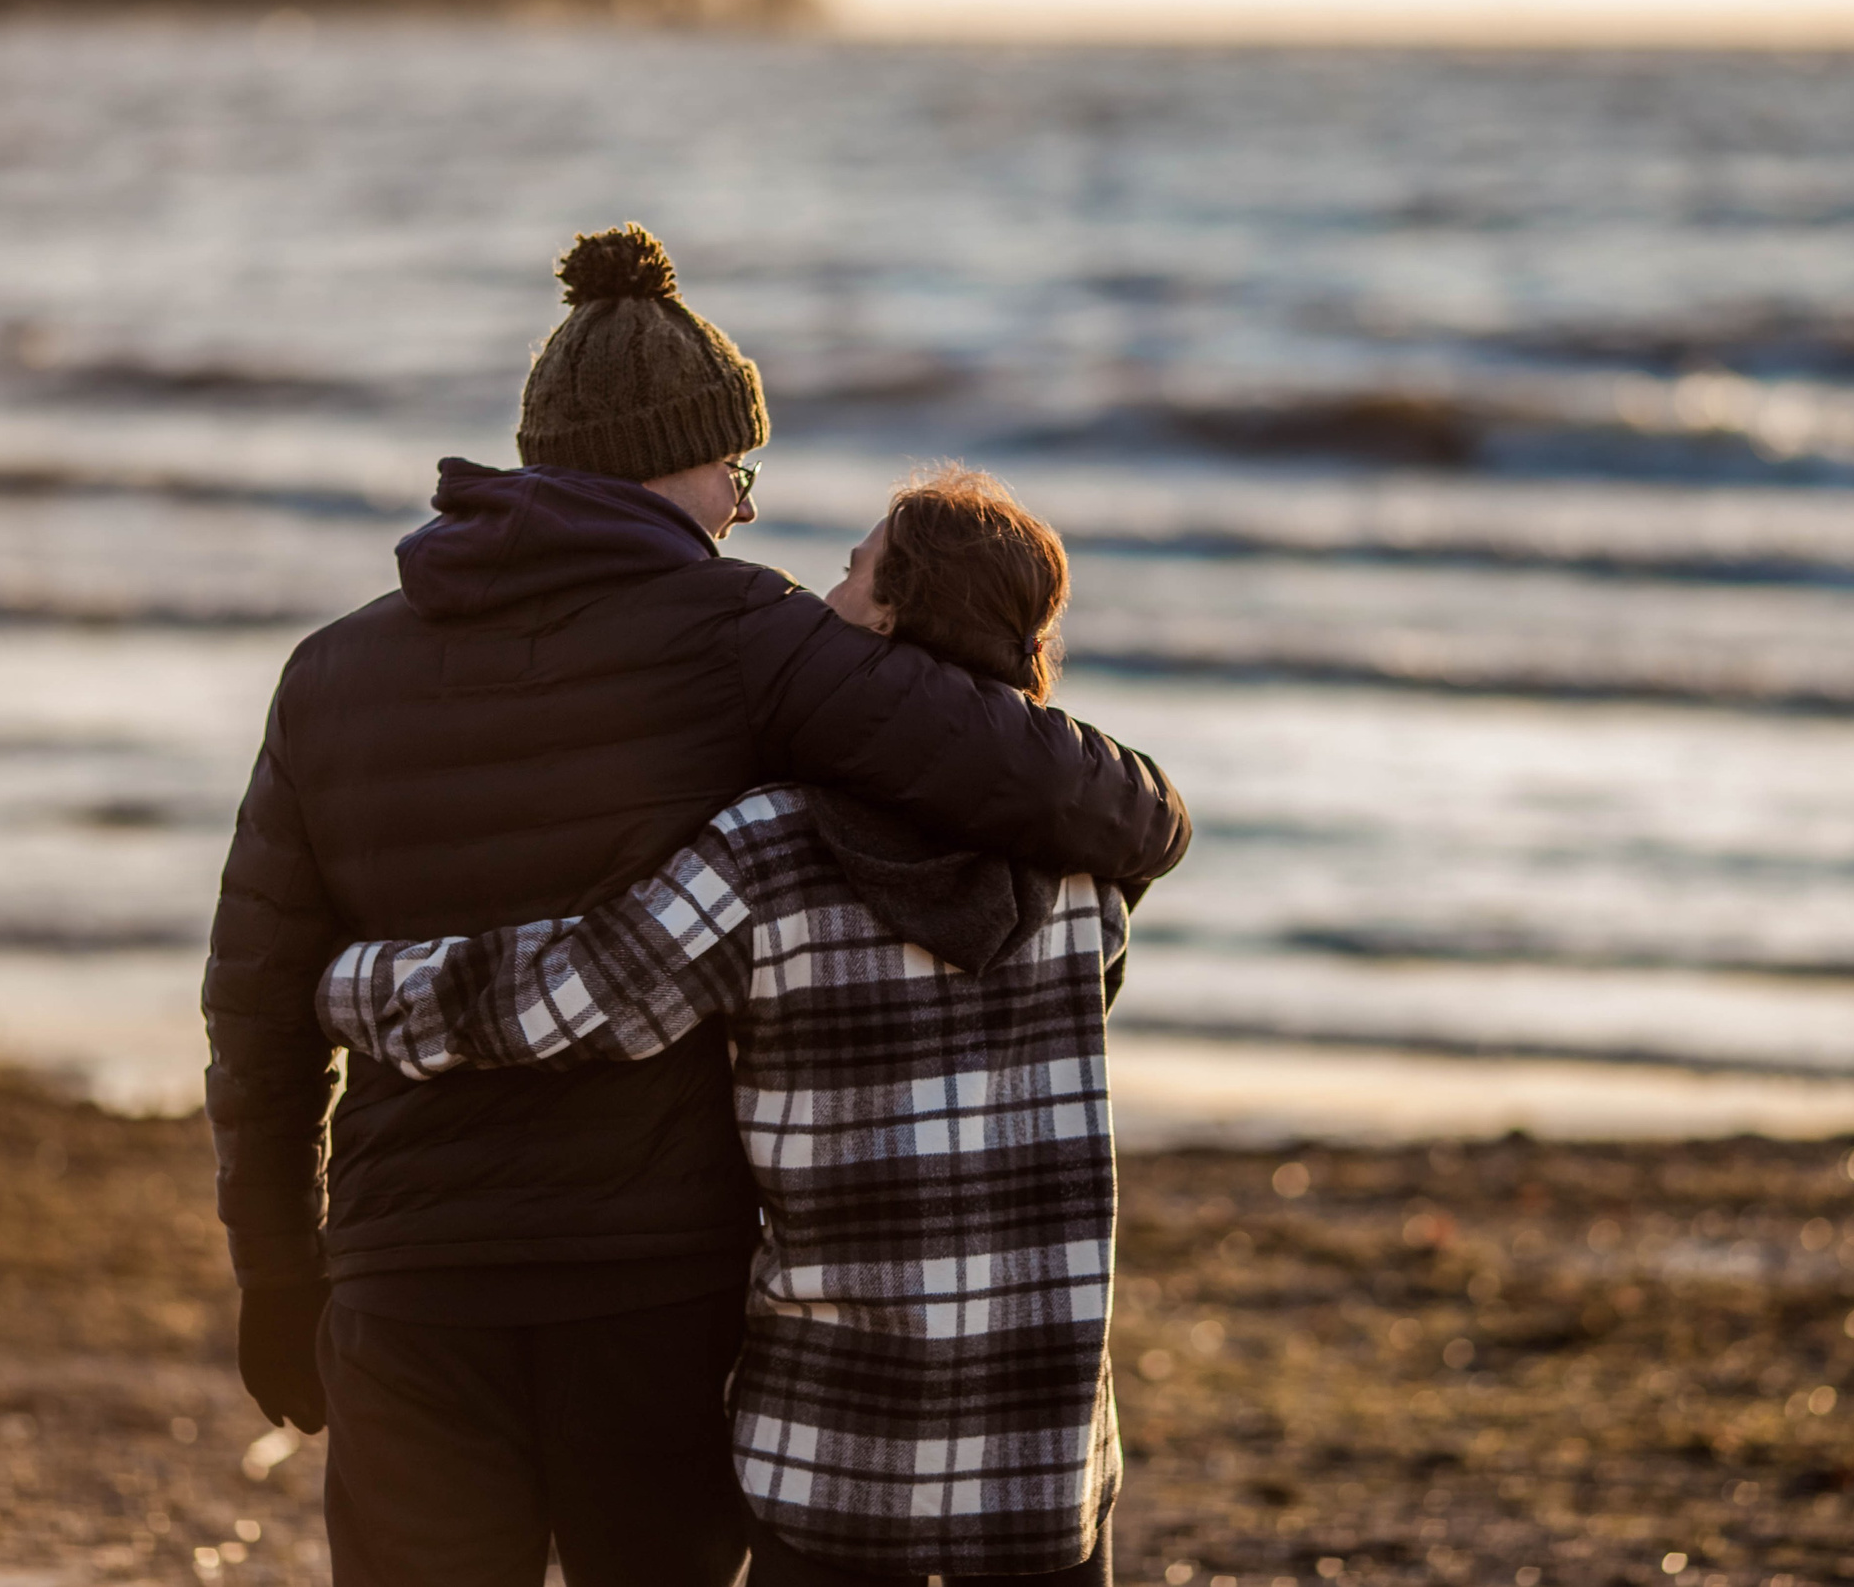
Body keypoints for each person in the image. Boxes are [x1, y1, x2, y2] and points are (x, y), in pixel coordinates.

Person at [200, 229, 1190, 1587]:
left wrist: (276, 1261)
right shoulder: (749, 639)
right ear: (682, 457)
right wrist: (1144, 818)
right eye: (742, 467)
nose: (746, 504)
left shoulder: (328, 673)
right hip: (654, 1288)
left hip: (403, 1273)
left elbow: (254, 997)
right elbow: (1054, 784)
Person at [320, 468, 1130, 1586]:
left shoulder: (771, 850)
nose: (825, 595)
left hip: (833, 1458)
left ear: (891, 614)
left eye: (852, 569)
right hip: (1042, 1462)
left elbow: (566, 997)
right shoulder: (1088, 871)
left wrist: (356, 983)